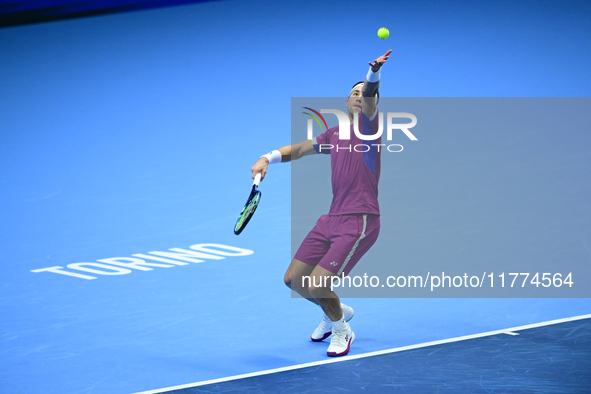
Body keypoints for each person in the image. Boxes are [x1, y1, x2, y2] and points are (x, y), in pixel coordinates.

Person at [251, 49, 392, 357]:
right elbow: (299, 150)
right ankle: (335, 311)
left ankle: (342, 329)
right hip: (331, 219)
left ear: (372, 103)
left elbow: (370, 92)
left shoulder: (370, 129)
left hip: (360, 221)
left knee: (317, 283)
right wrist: (266, 158)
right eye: (353, 93)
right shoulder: (335, 133)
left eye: (364, 94)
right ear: (345, 102)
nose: (359, 96)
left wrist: (373, 75)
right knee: (293, 280)